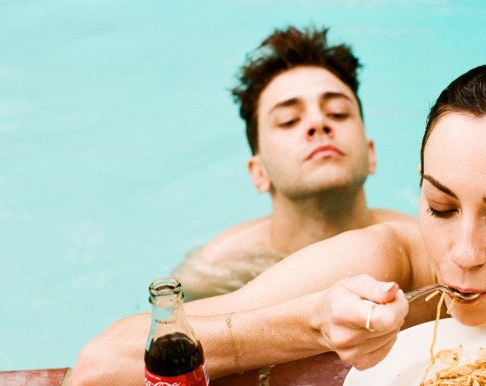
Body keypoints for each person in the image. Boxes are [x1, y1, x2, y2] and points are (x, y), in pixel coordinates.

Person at [73, 62, 486, 386]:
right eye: (439, 207)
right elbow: (100, 366)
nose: (462, 254)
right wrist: (309, 323)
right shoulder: (378, 257)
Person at [172, 26, 413, 300]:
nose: (318, 123)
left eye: (338, 113)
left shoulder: (420, 247)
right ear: (259, 172)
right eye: (289, 120)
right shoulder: (214, 272)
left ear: (371, 154)